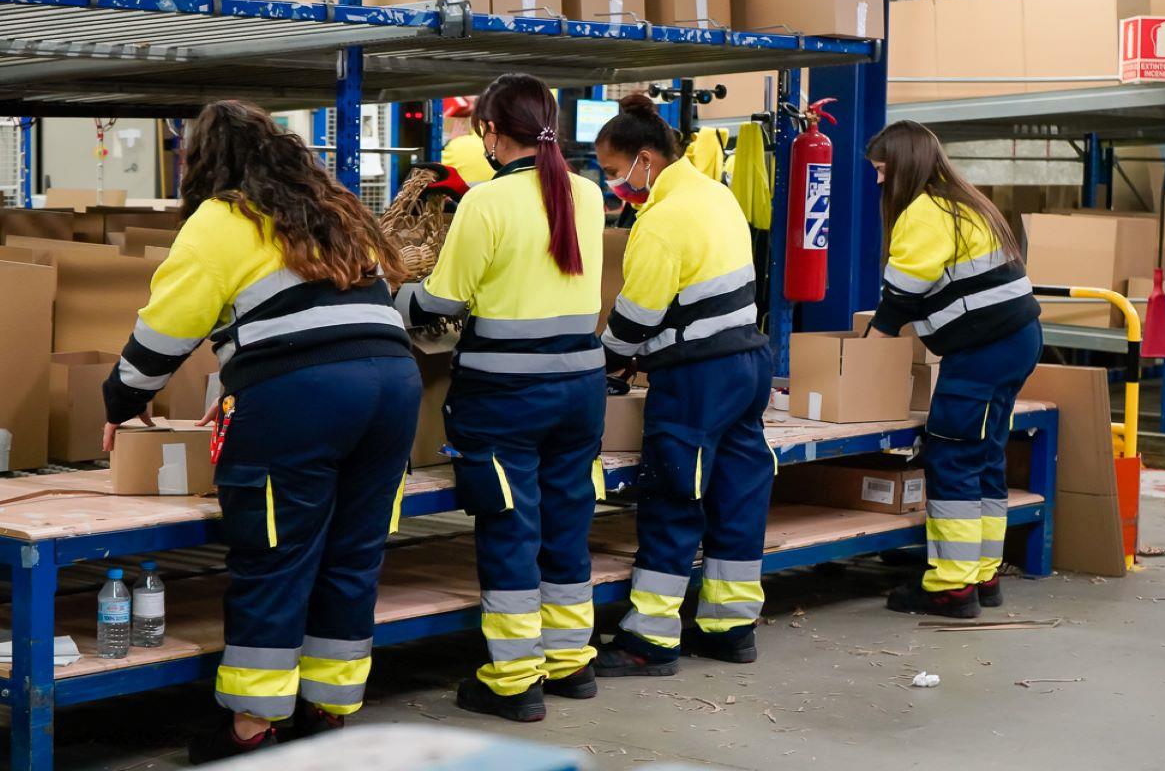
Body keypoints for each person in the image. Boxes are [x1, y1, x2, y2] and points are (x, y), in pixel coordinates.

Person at [100, 100, 422, 762]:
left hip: (302, 398)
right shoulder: (336, 209)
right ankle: (329, 711)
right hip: (393, 386)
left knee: (275, 555)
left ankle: (252, 728)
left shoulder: (221, 220)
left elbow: (165, 330)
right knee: (352, 554)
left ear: (207, 162)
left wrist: (119, 400)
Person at [395, 73, 607, 722]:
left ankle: (514, 680)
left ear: (491, 130)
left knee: (511, 527)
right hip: (582, 390)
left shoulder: (487, 203)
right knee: (567, 521)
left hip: (508, 394)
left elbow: (443, 302)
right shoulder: (588, 194)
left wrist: (393, 299)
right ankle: (571, 662)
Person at [591, 95, 776, 677]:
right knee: (737, 492)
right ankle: (730, 627)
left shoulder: (663, 220)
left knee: (674, 495)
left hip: (697, 378)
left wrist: (608, 360)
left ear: (646, 159)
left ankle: (650, 639)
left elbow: (637, 312)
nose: (615, 184)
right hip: (748, 363)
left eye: (616, 172)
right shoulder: (716, 194)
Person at [864, 120, 1043, 619]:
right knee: (984, 456)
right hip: (1013, 343)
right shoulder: (962, 202)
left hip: (985, 351)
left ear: (903, 165)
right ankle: (983, 574)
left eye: (882, 170)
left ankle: (951, 588)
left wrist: (858, 360)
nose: (879, 182)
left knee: (953, 456)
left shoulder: (925, 212)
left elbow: (899, 297)